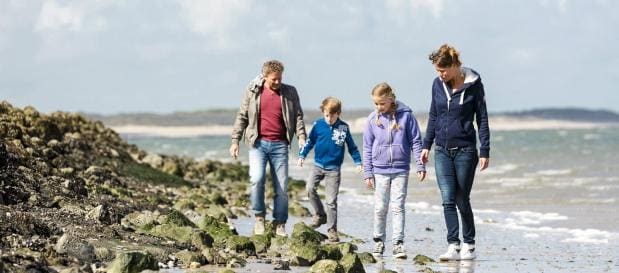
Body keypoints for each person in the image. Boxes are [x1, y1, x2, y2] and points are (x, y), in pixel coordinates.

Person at [420, 44, 490, 261]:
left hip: (466, 150)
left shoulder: (475, 86)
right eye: (437, 71)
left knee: (461, 198)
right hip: (441, 150)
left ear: (455, 65)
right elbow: (433, 115)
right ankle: (453, 245)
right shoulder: (437, 85)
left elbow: (482, 118)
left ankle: (469, 244)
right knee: (447, 198)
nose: (440, 75)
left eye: (443, 70)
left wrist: (484, 150)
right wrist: (426, 145)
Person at [229, 60, 306, 237]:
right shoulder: (252, 91)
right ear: (264, 77)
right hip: (258, 144)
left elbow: (298, 117)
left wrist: (301, 137)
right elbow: (242, 116)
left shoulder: (290, 92)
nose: (277, 82)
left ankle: (279, 223)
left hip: (280, 145)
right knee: (257, 180)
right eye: (274, 80)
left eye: (280, 79)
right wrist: (235, 141)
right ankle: (259, 218)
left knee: (282, 187)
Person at [363, 82, 426, 259]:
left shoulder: (406, 117)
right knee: (380, 207)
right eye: (375, 103)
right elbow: (367, 147)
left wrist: (420, 165)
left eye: (382, 103)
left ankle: (398, 244)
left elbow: (415, 141)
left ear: (391, 100)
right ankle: (378, 241)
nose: (378, 107)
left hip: (401, 169)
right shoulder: (371, 120)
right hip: (379, 170)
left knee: (398, 207)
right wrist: (368, 171)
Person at [297, 96, 362, 243]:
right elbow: (310, 142)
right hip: (318, 165)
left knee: (331, 200)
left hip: (334, 169)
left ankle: (332, 230)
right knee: (309, 188)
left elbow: (352, 147)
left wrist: (358, 162)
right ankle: (320, 215)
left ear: (338, 113)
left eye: (332, 115)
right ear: (323, 113)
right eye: (326, 115)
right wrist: (302, 156)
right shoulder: (318, 125)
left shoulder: (343, 128)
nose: (329, 119)